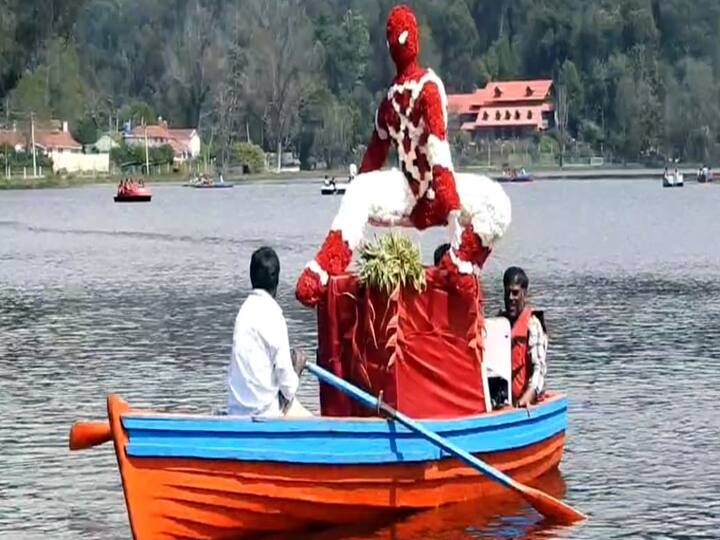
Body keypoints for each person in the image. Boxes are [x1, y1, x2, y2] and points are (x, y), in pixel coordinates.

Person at [227, 247, 312, 417]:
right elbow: (288, 389)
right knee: (310, 420)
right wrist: (297, 368)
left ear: (252, 278)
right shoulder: (273, 316)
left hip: (235, 412)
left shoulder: (243, 312)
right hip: (264, 414)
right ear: (277, 280)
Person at [498, 267, 547, 407]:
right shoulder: (499, 323)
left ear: (524, 294)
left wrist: (529, 395)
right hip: (503, 400)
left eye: (515, 293)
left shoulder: (533, 325)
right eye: (507, 293)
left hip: (524, 399)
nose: (510, 298)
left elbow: (539, 367)